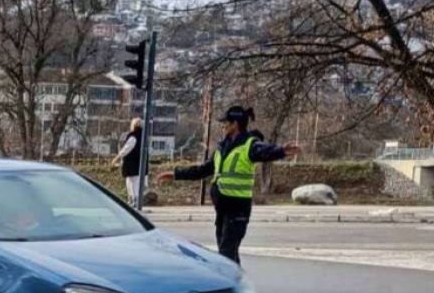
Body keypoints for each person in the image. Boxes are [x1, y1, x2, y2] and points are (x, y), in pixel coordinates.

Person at [159, 106, 298, 265]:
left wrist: (281, 151)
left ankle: (229, 287)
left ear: (235, 124)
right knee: (228, 254)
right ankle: (238, 285)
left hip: (238, 209)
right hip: (223, 209)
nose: (222, 125)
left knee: (226, 254)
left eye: (225, 122)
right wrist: (176, 174)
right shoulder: (222, 147)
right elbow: (204, 169)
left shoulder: (249, 145)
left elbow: (264, 151)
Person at [111, 117, 146, 207]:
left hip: (132, 165)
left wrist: (117, 157)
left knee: (131, 183)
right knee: (136, 183)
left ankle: (133, 201)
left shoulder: (133, 136)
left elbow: (126, 149)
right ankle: (135, 201)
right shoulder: (143, 136)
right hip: (140, 165)